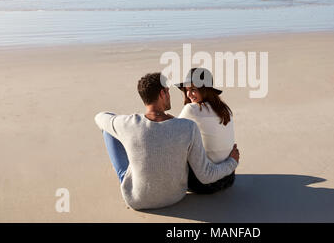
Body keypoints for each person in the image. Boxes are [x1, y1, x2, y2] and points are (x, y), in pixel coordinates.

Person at [94, 72, 240, 210]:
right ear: (163, 93)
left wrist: (116, 121)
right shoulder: (188, 126)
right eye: (168, 91)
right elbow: (205, 173)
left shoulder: (127, 123)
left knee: (109, 130)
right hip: (176, 196)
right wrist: (232, 162)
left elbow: (99, 117)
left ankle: (127, 173)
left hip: (137, 199)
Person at [176, 68, 236, 194]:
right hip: (228, 178)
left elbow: (172, 131)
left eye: (193, 90)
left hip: (203, 184)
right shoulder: (226, 110)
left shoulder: (192, 109)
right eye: (187, 90)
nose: (188, 95)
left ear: (205, 89)